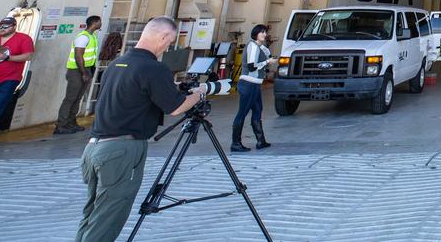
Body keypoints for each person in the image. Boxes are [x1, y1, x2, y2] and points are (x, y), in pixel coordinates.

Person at [76, 16, 207, 242]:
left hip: (94, 149)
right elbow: (176, 108)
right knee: (108, 219)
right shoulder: (153, 68)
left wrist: (171, 87)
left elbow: (135, 92)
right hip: (122, 151)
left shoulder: (116, 65)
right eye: (170, 42)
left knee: (94, 215)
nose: (168, 47)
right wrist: (200, 93)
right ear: (163, 37)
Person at [231, 24, 276, 153]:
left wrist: (266, 55)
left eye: (265, 32)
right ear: (255, 33)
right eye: (262, 32)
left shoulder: (259, 47)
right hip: (249, 83)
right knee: (242, 113)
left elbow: (266, 55)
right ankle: (235, 143)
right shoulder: (252, 46)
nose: (264, 34)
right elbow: (252, 66)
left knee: (257, 110)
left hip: (254, 84)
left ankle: (261, 141)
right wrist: (267, 62)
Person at [56, 14, 102, 135]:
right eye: (99, 22)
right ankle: (61, 124)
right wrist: (84, 73)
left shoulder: (92, 36)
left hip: (86, 69)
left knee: (77, 98)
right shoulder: (83, 37)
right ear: (94, 23)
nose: (100, 24)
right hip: (77, 71)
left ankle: (71, 122)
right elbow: (78, 56)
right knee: (70, 98)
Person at [0, 15, 34, 126]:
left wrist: (7, 58)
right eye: (1, 26)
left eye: (6, 26)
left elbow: (28, 56)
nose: (2, 28)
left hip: (9, 79)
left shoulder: (24, 38)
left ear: (14, 26)